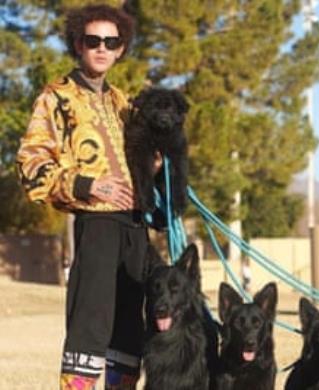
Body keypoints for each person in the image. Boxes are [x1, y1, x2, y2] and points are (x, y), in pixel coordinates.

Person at [16, 5, 144, 389]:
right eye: (93, 41)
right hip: (97, 223)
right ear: (78, 44)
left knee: (128, 330)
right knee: (91, 326)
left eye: (111, 41)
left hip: (136, 227)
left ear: (121, 48)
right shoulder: (56, 98)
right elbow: (31, 164)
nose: (102, 48)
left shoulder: (124, 104)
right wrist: (87, 185)